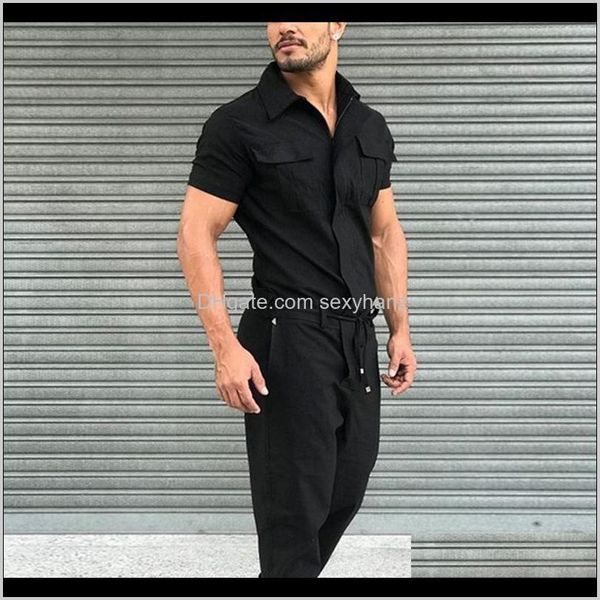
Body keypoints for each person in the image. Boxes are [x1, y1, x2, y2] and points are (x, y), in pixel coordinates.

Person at [177, 22, 417, 578]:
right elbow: (196, 233)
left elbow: (384, 233)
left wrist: (399, 327)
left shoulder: (368, 125)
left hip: (356, 338)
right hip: (286, 337)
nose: (285, 25)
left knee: (345, 489)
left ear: (338, 24)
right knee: (293, 514)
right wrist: (224, 347)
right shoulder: (238, 124)